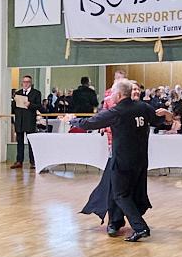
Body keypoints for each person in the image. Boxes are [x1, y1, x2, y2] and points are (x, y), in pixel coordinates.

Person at [68, 80, 169, 242]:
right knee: (128, 193)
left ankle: (140, 227)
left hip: (123, 161)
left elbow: (89, 123)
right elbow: (159, 121)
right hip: (141, 160)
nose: (111, 96)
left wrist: (72, 120)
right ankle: (121, 223)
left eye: (113, 93)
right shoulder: (143, 107)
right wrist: (167, 115)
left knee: (120, 194)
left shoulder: (117, 111)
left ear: (120, 94)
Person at [11, 75, 41, 169]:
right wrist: (14, 101)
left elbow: (39, 106)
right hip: (19, 120)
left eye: (27, 82)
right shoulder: (18, 93)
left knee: (31, 142)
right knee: (19, 142)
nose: (25, 84)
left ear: (30, 83)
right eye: (24, 82)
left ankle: (32, 161)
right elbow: (13, 108)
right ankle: (19, 161)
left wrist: (30, 104)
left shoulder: (36, 93)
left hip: (29, 120)